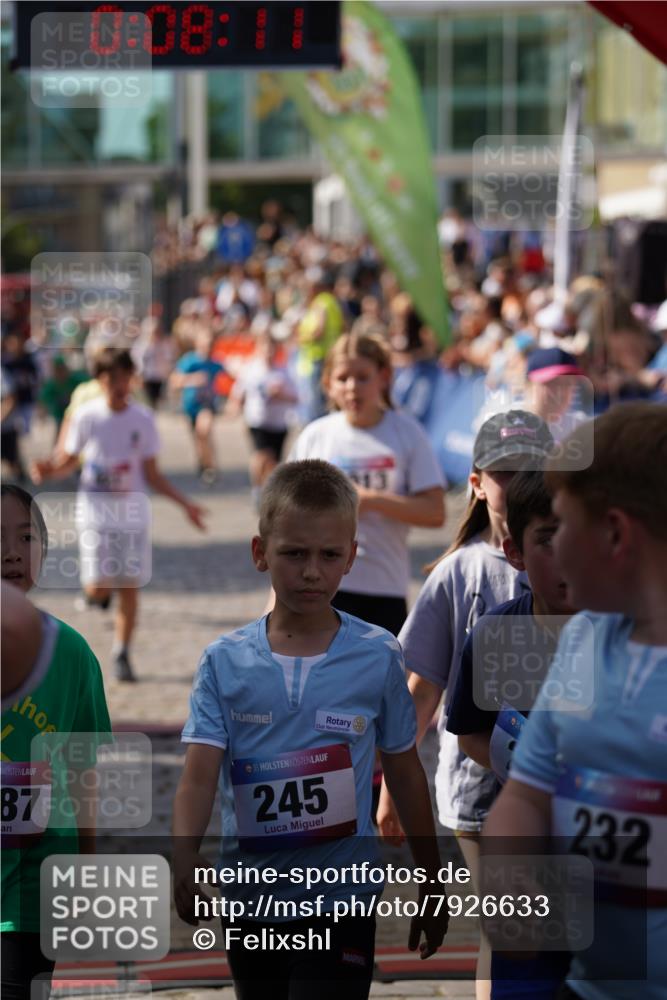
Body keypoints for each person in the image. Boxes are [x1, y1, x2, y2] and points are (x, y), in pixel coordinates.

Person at [172, 460, 449, 1000]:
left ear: (351, 557)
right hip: (253, 901)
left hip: (343, 900)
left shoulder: (377, 655)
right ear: (260, 553)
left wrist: (432, 877)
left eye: (328, 555)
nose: (311, 572)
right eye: (294, 553)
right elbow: (198, 776)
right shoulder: (223, 662)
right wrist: (184, 854)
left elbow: (406, 769)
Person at [483, 403, 667, 1000]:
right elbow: (528, 793)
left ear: (614, 534)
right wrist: (509, 880)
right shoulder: (586, 635)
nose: (550, 546)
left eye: (561, 525)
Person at [377, 409, 555, 1000]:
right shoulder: (459, 572)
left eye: (534, 466)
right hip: (480, 789)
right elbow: (421, 687)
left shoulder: (580, 567)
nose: (520, 479)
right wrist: (391, 788)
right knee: (506, 931)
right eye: (505, 471)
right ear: (477, 482)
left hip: (567, 789)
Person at [446, 471, 576, 999]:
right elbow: (470, 732)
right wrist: (524, 762)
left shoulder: (635, 635)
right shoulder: (496, 633)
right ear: (515, 552)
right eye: (548, 537)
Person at [31, 348, 206, 683]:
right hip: (96, 510)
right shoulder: (87, 416)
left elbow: (153, 474)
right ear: (100, 380)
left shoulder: (142, 419)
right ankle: (97, 594)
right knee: (98, 586)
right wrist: (47, 470)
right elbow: (69, 459)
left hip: (132, 513)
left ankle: (122, 652)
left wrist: (186, 505)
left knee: (130, 585)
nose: (119, 385)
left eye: (125, 377)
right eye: (111, 378)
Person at [1, 484, 112, 1000]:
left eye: (26, 538)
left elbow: (85, 770)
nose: (11, 553)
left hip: (32, 889)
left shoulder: (71, 654)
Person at [289, 333, 446, 638]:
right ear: (327, 384)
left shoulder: (407, 433)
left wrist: (370, 499)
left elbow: (436, 512)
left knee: (377, 686)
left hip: (383, 589)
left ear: (384, 378)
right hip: (320, 589)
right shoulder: (315, 436)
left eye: (362, 377)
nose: (352, 387)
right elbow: (287, 517)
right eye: (342, 378)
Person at [226, 331, 298, 507]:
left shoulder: (284, 372)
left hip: (279, 422)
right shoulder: (251, 369)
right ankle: (257, 490)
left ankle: (268, 491)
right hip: (257, 420)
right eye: (264, 347)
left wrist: (280, 395)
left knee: (273, 462)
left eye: (272, 348)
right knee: (261, 456)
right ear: (258, 348)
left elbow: (296, 398)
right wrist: (234, 406)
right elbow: (237, 392)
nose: (268, 351)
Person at [170, 324, 226, 484]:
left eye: (211, 344)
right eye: (205, 344)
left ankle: (210, 468)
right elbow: (174, 381)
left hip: (207, 405)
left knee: (204, 430)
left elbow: (228, 376)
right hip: (190, 406)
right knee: (199, 437)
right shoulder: (189, 361)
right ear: (198, 344)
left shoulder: (216, 363)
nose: (208, 347)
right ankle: (204, 464)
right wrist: (193, 379)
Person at [296, 268, 344, 424]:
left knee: (317, 400)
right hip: (328, 355)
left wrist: (303, 338)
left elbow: (319, 330)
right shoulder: (333, 302)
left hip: (319, 356)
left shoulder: (321, 302)